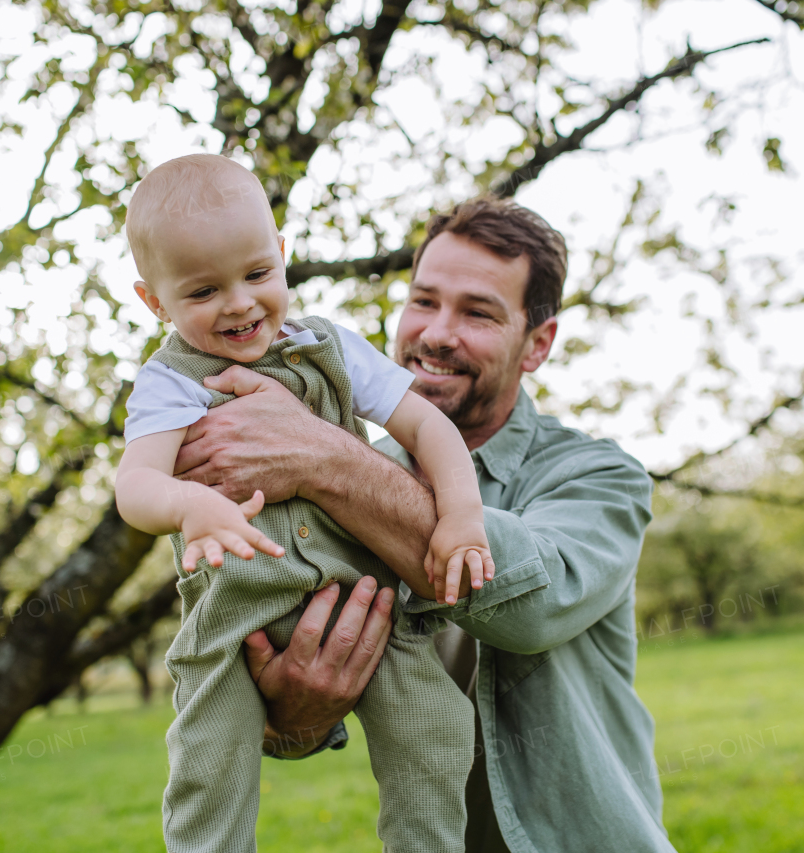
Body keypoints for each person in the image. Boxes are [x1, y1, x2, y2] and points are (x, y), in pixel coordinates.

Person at [172, 196, 677, 852]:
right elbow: (274, 658)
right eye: (424, 301)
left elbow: (532, 607)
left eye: (478, 312)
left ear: (538, 343)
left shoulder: (599, 476)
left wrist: (324, 456)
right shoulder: (338, 473)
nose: (437, 333)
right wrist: (295, 719)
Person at [114, 154, 496, 853]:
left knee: (435, 731)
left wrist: (463, 515)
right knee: (210, 767)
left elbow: (426, 426)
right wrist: (184, 505)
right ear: (153, 301)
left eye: (258, 274)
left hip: (366, 595)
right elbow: (133, 486)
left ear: (282, 255)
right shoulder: (169, 382)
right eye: (202, 291)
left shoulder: (331, 347)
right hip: (236, 617)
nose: (238, 303)